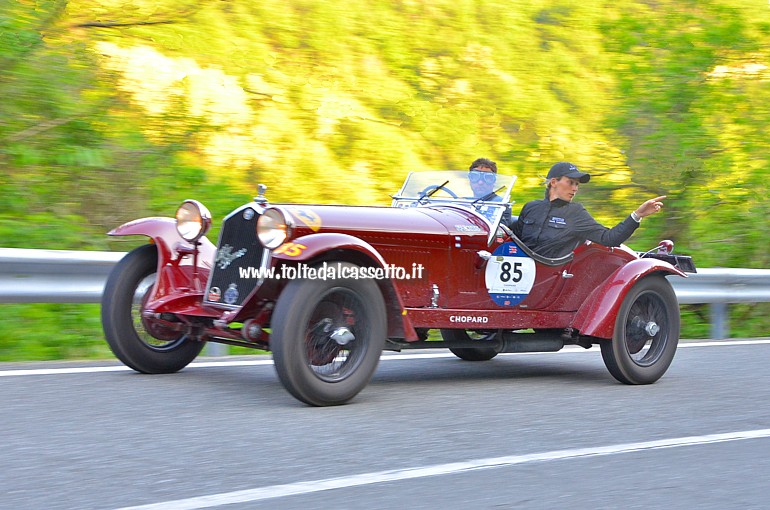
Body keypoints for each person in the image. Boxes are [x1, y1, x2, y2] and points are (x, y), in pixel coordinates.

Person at [511, 162, 666, 258]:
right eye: (570, 182)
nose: (575, 188)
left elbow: (609, 238)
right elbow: (512, 239)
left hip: (550, 279)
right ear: (553, 182)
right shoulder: (531, 207)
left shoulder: (576, 213)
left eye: (577, 184)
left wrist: (637, 215)